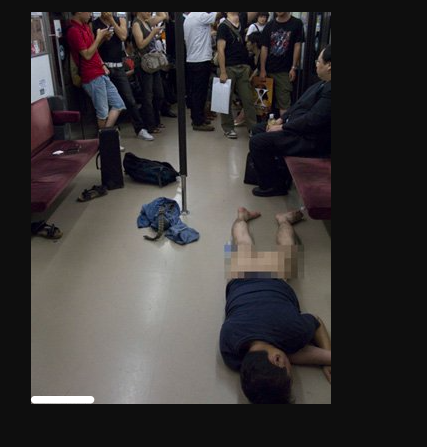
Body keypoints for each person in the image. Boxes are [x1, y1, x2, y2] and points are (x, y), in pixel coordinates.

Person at [220, 207, 331, 404]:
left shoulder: (291, 330)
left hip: (274, 278)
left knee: (288, 247)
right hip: (241, 279)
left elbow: (316, 322)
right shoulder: (230, 350)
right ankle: (242, 217)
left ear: (278, 359)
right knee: (243, 242)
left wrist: (326, 358)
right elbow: (288, 352)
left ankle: (284, 220)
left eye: (289, 374)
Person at [250, 44, 331, 197]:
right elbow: (299, 105)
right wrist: (281, 120)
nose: (316, 64)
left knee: (258, 142)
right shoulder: (322, 83)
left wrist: (283, 127)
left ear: (329, 66)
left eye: (319, 61)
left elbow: (312, 120)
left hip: (311, 138)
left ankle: (274, 186)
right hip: (299, 129)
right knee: (258, 129)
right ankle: (273, 175)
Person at [92, 12, 154, 141]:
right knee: (108, 104)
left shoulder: (120, 20)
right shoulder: (94, 24)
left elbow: (123, 36)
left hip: (119, 66)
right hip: (103, 67)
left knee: (129, 99)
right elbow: (94, 47)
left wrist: (111, 20)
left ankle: (139, 129)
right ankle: (112, 133)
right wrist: (102, 38)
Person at [67, 12, 126, 131]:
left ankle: (105, 136)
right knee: (102, 113)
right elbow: (87, 55)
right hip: (91, 76)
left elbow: (94, 50)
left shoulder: (85, 26)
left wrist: (102, 40)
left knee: (118, 104)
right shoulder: (73, 31)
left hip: (100, 71)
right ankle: (105, 138)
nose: (91, 14)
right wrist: (99, 37)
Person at [216, 12, 259, 139]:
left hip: (243, 67)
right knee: (225, 100)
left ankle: (253, 128)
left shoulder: (241, 19)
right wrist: (223, 71)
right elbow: (220, 49)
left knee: (248, 99)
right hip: (229, 67)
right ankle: (228, 128)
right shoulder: (223, 26)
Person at [260, 12, 305, 116]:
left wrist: (293, 67)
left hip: (284, 70)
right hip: (268, 69)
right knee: (263, 103)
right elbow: (264, 47)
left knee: (284, 103)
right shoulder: (269, 25)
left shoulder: (296, 23)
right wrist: (262, 69)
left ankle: (283, 124)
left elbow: (297, 45)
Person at [184, 12, 222, 131]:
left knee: (196, 92)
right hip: (201, 60)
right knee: (200, 93)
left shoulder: (189, 18)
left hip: (192, 59)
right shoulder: (200, 15)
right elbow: (219, 14)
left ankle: (198, 117)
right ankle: (198, 122)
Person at [132, 12, 167, 135]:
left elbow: (163, 16)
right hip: (144, 63)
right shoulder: (136, 24)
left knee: (159, 94)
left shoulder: (147, 21)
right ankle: (150, 124)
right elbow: (140, 44)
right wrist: (153, 33)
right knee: (147, 96)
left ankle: (155, 120)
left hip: (153, 62)